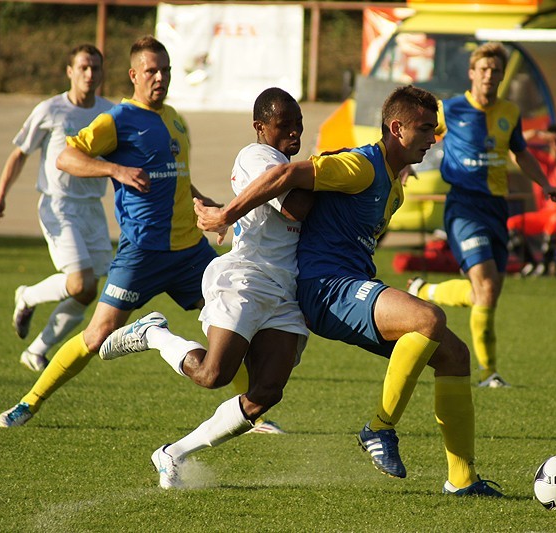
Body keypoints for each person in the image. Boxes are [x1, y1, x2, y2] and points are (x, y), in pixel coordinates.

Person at [194, 85, 504, 497]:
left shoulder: (394, 184)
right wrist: (225, 214)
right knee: (429, 319)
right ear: (397, 128)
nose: (434, 139)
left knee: (454, 355)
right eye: (426, 129)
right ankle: (379, 429)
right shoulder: (362, 166)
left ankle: (462, 480)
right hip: (326, 289)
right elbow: (285, 174)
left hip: (353, 285)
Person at [0, 35, 235, 430]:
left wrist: (210, 207)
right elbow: (66, 156)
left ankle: (251, 409)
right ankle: (29, 402)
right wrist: (116, 170)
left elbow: (178, 180)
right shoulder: (118, 120)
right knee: (98, 334)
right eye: (151, 71)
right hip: (142, 251)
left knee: (230, 319)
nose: (160, 77)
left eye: (166, 70)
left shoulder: (176, 118)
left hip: (190, 252)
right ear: (133, 75)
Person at [95, 88, 311, 489]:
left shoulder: (291, 166)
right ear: (260, 127)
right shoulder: (257, 156)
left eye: (298, 124)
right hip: (247, 279)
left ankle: (172, 452)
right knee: (213, 374)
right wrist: (332, 173)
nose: (294, 133)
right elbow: (299, 207)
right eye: (285, 125)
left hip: (285, 288)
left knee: (267, 392)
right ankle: (153, 334)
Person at [408, 43, 556, 389]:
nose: (490, 76)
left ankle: (427, 289)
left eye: (496, 71)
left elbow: (520, 153)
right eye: (484, 69)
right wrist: (404, 166)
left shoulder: (510, 111)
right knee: (487, 286)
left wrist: (545, 183)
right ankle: (487, 373)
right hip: (463, 205)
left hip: (497, 208)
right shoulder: (451, 109)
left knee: (485, 295)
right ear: (472, 73)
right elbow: (420, 135)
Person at [0, 44, 114, 372]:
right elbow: (20, 153)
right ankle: (27, 295)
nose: (89, 74)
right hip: (59, 206)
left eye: (95, 68)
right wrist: (1, 195)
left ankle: (36, 350)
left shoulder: (110, 112)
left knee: (88, 292)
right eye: (83, 67)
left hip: (92, 209)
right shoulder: (52, 110)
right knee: (78, 283)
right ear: (70, 72)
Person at [506, 124, 556, 276]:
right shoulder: (542, 160)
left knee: (553, 225)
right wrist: (536, 133)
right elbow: (514, 148)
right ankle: (530, 263)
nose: (555, 144)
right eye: (552, 140)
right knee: (512, 224)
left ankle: (544, 266)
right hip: (545, 212)